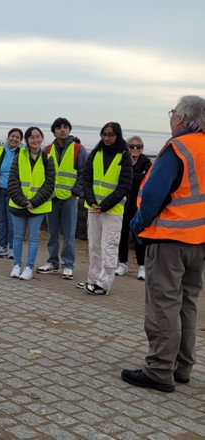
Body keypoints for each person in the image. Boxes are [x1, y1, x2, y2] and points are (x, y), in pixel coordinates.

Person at [121, 95, 205, 393]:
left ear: (182, 118)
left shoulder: (177, 148)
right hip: (198, 241)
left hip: (168, 239)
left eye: (172, 113)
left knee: (163, 304)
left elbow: (154, 194)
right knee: (187, 304)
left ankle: (159, 370)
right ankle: (183, 367)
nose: (171, 118)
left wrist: (137, 225)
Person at [79, 122, 131, 295]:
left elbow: (125, 185)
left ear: (117, 135)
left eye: (110, 134)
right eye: (104, 134)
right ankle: (92, 279)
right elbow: (86, 178)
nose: (106, 138)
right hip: (94, 208)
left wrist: (105, 205)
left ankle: (104, 284)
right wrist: (92, 201)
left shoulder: (124, 156)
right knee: (94, 246)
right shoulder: (96, 153)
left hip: (112, 211)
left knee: (109, 246)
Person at [36, 117, 87, 280]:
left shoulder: (79, 149)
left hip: (69, 198)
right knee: (52, 233)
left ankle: (68, 264)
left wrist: (75, 192)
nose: (62, 130)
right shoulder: (48, 150)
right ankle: (52, 262)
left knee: (69, 233)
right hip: (51, 198)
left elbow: (84, 173)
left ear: (69, 130)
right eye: (59, 128)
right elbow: (42, 173)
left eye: (65, 127)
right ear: (54, 131)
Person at [7, 127, 55, 281]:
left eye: (38, 136)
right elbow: (12, 180)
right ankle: (16, 265)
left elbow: (49, 184)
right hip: (18, 204)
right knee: (18, 236)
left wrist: (34, 202)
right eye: (31, 137)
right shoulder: (19, 155)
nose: (35, 140)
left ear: (42, 138)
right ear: (26, 140)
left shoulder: (48, 158)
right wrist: (22, 201)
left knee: (34, 238)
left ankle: (28, 267)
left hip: (38, 206)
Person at [115, 135, 152, 280]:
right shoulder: (122, 160)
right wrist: (136, 177)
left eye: (138, 146)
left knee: (139, 237)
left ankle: (142, 266)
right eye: (132, 146)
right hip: (123, 204)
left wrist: (130, 177)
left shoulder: (146, 163)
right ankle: (122, 264)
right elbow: (118, 179)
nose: (135, 149)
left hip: (139, 205)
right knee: (122, 235)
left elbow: (146, 180)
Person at [0, 128, 23, 257]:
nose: (14, 139)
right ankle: (2, 246)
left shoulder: (23, 152)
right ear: (8, 137)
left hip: (14, 191)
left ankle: (12, 248)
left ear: (21, 140)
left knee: (12, 220)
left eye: (17, 137)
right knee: (1, 219)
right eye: (12, 136)